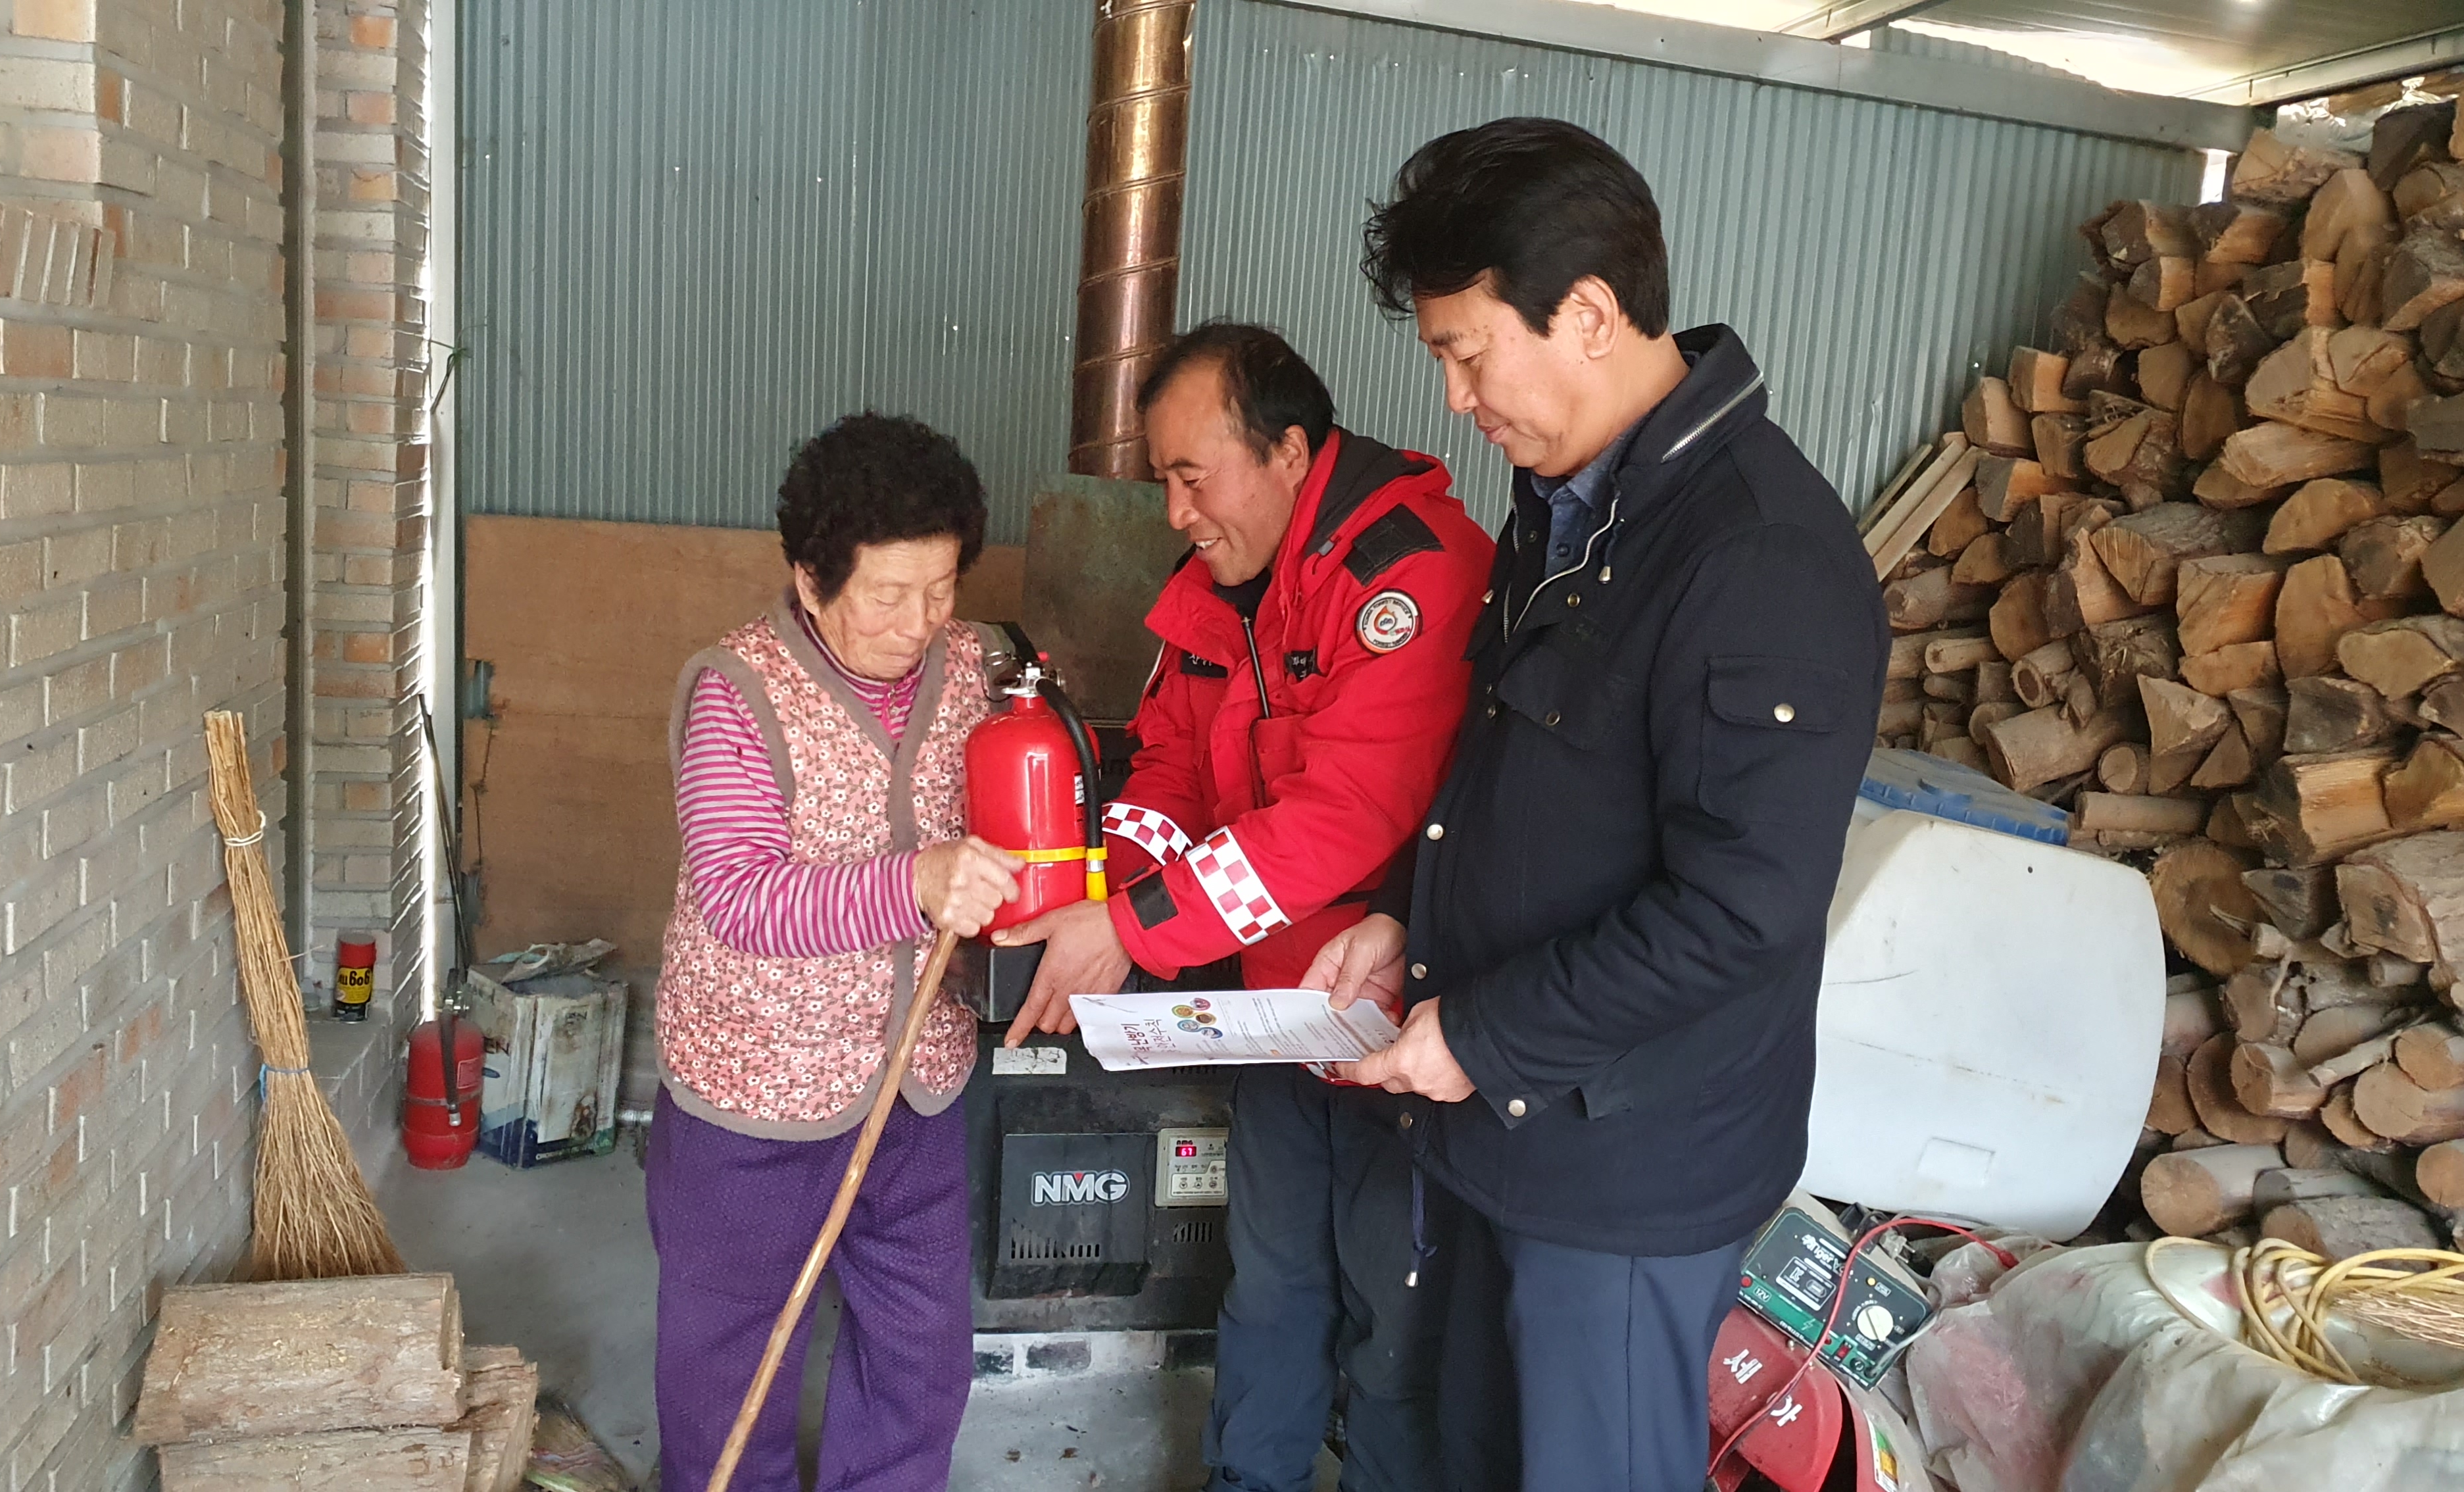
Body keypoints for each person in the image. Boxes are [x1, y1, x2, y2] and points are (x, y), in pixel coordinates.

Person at [1300, 118, 1888, 1491]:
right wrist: (1402, 921)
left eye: (1466, 351)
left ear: (1587, 314)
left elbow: (1745, 904)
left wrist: (1486, 1033)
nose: (1453, 398)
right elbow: (1519, 782)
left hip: (1628, 1165)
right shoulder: (1572, 506)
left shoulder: (1759, 554)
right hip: (1509, 1128)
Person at [995, 322, 1494, 1491]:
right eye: (1161, 479)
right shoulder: (1214, 595)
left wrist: (1133, 930)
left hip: (1398, 1020)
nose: (1173, 511)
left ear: (1284, 452)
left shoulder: (1410, 573)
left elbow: (1346, 819)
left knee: (1394, 1313)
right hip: (1275, 1012)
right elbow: (1166, 772)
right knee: (1269, 1286)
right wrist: (1112, 892)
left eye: (1188, 475)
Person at [645, 412, 1024, 1492]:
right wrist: (914, 883)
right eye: (889, 595)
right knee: (731, 1371)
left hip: (918, 1082)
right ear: (810, 580)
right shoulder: (738, 690)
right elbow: (740, 897)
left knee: (918, 1355)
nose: (922, 623)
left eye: (942, 588)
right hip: (753, 1096)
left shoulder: (976, 667)